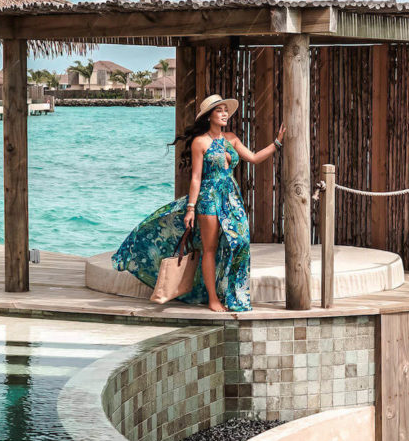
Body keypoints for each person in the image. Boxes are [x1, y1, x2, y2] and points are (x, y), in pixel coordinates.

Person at [111, 94, 285, 312]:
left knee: (241, 242)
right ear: (209, 116)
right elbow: (196, 177)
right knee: (209, 249)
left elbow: (255, 158)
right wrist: (191, 208)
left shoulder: (231, 139)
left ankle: (236, 296)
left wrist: (277, 143)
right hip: (208, 198)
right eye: (219, 111)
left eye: (225, 110)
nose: (224, 114)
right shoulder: (200, 142)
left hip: (231, 197)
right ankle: (213, 298)